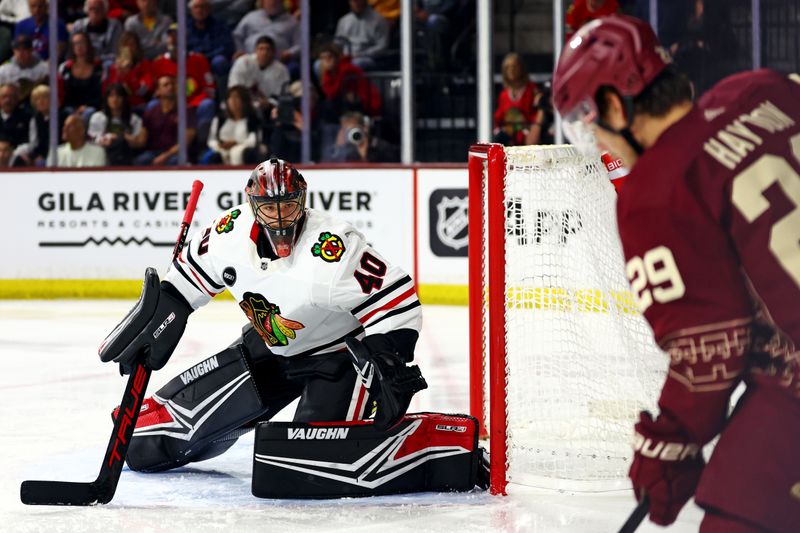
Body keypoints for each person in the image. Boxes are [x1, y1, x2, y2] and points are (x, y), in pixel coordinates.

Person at [552, 15, 800, 532]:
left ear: (618, 106)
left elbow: (710, 350)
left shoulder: (655, 193)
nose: (597, 141)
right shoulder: (763, 89)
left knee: (738, 510)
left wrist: (667, 446)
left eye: (590, 122)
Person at [98, 158, 425, 475]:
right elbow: (182, 287)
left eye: (288, 206)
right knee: (142, 445)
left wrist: (387, 358)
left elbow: (397, 300)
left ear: (303, 201)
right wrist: (160, 319)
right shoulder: (226, 235)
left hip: (336, 358)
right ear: (253, 206)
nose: (281, 219)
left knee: (307, 468)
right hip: (269, 349)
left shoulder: (331, 248)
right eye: (270, 208)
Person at [134, 75, 196, 166]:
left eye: (172, 84)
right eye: (166, 85)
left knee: (175, 161)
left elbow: (185, 142)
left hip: (175, 154)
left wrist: (165, 156)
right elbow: (141, 140)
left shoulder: (186, 111)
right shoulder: (151, 112)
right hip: (153, 153)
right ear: (158, 91)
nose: (170, 87)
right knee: (140, 161)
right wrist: (123, 138)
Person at [227, 35, 289, 116]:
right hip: (243, 105)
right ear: (255, 51)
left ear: (274, 52)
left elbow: (281, 96)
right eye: (261, 49)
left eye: (268, 49)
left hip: (268, 108)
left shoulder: (281, 70)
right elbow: (234, 88)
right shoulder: (243, 63)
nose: (264, 53)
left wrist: (268, 103)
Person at [201, 85, 261, 165]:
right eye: (230, 97)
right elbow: (211, 140)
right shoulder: (220, 120)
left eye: (236, 97)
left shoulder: (252, 120)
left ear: (244, 101)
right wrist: (219, 146)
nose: (233, 101)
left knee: (247, 154)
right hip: (222, 150)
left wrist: (236, 143)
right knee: (213, 157)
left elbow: (254, 140)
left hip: (243, 149)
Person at [88, 82, 146, 165]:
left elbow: (137, 142)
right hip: (102, 155)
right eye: (111, 96)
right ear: (106, 99)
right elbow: (92, 139)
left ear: (124, 99)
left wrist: (119, 137)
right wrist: (111, 138)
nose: (115, 99)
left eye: (118, 96)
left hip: (126, 155)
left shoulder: (134, 119)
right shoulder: (98, 117)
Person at [493, 52, 543, 146]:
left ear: (521, 68)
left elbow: (538, 115)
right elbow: (499, 117)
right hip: (509, 139)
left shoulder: (532, 90)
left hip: (529, 137)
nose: (511, 70)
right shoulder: (503, 95)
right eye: (508, 67)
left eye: (515, 66)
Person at [102, 30, 153, 109]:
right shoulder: (113, 67)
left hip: (136, 105)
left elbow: (143, 92)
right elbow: (106, 91)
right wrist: (119, 74)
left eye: (132, 44)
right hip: (115, 106)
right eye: (125, 45)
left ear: (137, 47)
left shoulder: (145, 65)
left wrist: (128, 75)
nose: (129, 48)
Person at [334, 0, 390, 72]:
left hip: (368, 58)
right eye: (353, 1)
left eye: (358, 0)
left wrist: (360, 54)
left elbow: (382, 46)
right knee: (319, 64)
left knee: (355, 63)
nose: (356, 3)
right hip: (345, 57)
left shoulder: (379, 20)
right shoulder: (344, 20)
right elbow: (337, 43)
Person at [186, 0, 234, 81]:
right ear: (191, 11)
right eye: (196, 7)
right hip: (193, 59)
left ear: (209, 9)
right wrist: (196, 56)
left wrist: (205, 57)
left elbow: (226, 47)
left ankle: (222, 93)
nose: (199, 10)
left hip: (213, 58)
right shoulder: (185, 27)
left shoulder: (219, 25)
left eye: (203, 7)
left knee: (220, 62)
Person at [58, 31, 103, 117]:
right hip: (70, 107)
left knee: (88, 114)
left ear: (88, 44)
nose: (79, 46)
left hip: (91, 107)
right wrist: (74, 108)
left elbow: (100, 94)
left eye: (82, 42)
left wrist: (86, 107)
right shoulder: (65, 68)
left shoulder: (99, 67)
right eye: (75, 43)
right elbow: (64, 94)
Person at [326, 110, 397, 163]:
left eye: (353, 129)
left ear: (364, 128)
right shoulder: (343, 149)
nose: (350, 134)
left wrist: (364, 155)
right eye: (346, 130)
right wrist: (337, 148)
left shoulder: (382, 147)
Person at [70, 0, 123, 69]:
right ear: (86, 11)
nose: (94, 11)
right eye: (91, 9)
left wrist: (97, 60)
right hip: (82, 62)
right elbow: (72, 50)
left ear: (105, 11)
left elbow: (115, 52)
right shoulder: (79, 25)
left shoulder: (115, 26)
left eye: (98, 9)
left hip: (106, 64)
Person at [0, 34, 48, 101]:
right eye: (18, 49)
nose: (21, 53)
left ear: (31, 50)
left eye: (25, 49)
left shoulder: (44, 69)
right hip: (11, 103)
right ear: (14, 51)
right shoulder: (4, 69)